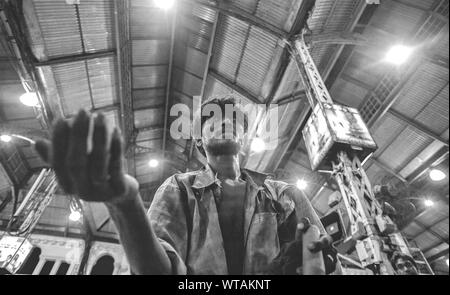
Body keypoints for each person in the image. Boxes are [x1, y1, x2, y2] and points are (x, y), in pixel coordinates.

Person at [34, 96, 338, 275]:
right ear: (197, 140)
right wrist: (124, 203)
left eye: (234, 119)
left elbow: (321, 260)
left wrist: (317, 261)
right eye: (211, 119)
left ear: (244, 140)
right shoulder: (178, 189)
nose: (224, 121)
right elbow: (160, 269)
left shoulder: (284, 195)